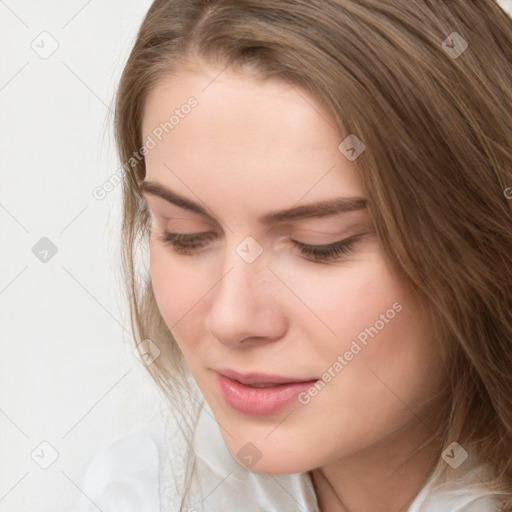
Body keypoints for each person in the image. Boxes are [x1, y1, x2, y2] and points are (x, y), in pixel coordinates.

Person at [75, 0, 512, 511]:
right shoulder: (139, 491)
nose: (231, 318)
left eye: (320, 243)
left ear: (487, 242)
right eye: (185, 233)